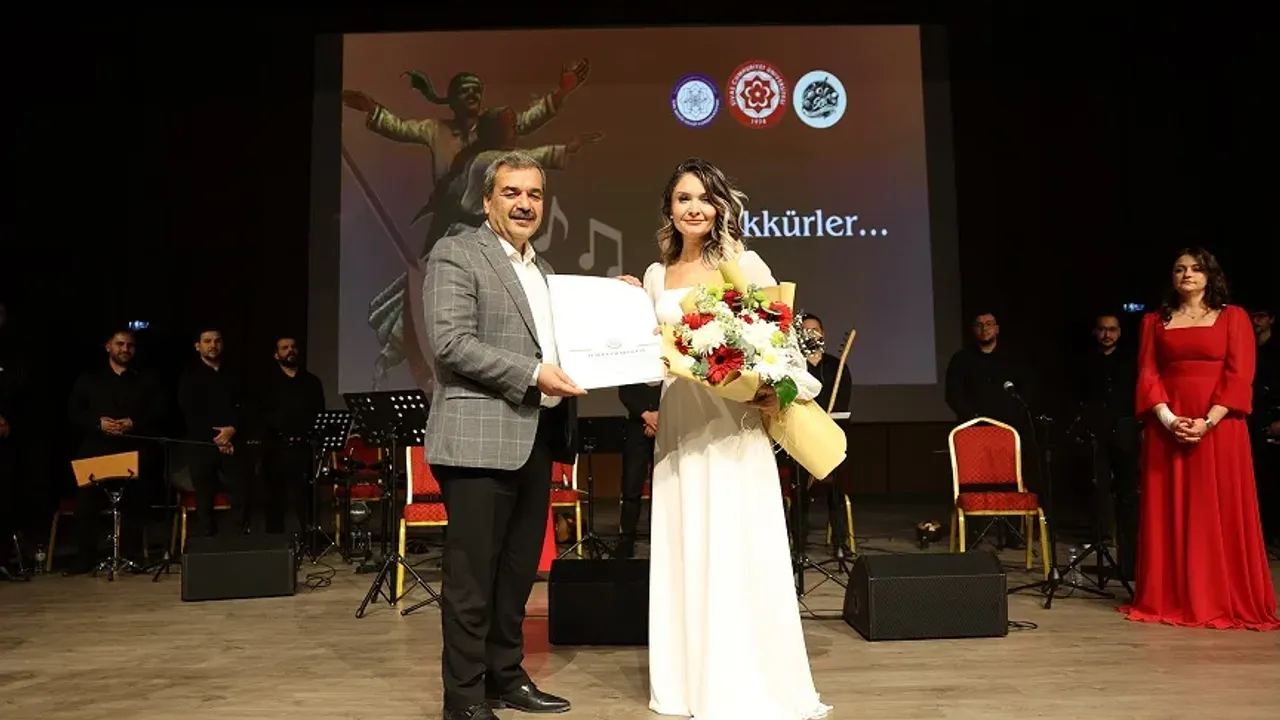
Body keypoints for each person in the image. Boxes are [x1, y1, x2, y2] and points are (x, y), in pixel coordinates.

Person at [617, 158, 831, 720]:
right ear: (669, 208)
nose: (694, 208)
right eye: (683, 198)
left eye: (704, 198)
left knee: (736, 545)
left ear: (720, 207)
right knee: (686, 545)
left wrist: (774, 392)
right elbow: (648, 357)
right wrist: (621, 309)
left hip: (730, 423)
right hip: (679, 420)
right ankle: (688, 684)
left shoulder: (744, 263)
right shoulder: (657, 274)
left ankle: (742, 682)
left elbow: (783, 348)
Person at [423, 150, 582, 720]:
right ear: (487, 200)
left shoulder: (545, 271)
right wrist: (533, 374)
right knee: (472, 580)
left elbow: (564, 341)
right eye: (511, 192)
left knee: (516, 574)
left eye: (534, 194)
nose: (524, 204)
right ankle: (464, 698)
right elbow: (451, 343)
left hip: (535, 437)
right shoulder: (457, 253)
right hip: (477, 440)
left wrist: (613, 302)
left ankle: (505, 677)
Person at [1121, 247, 1279, 630]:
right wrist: (1169, 419)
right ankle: (1172, 596)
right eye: (1179, 269)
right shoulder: (1153, 322)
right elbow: (1147, 375)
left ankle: (1220, 596)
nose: (1187, 274)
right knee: (1170, 508)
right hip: (1169, 427)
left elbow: (1239, 376)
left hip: (1220, 426)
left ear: (1210, 275)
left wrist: (1207, 422)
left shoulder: (1233, 317)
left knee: (1218, 507)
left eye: (1195, 268)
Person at [64, 328, 165, 574]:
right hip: (96, 451)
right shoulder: (90, 378)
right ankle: (86, 557)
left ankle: (130, 555)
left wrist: (133, 423)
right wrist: (98, 424)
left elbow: (160, 413)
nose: (125, 349)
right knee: (85, 504)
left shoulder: (146, 379)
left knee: (136, 499)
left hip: (132, 451)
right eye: (120, 344)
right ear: (108, 346)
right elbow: (73, 412)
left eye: (130, 345)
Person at [1077, 313, 1139, 582]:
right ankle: (1103, 546)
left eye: (1112, 330)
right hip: (1096, 433)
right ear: (1095, 332)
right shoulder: (1086, 362)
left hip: (1126, 432)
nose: (1107, 335)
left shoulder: (1131, 361)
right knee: (1098, 489)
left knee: (1129, 494)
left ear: (1119, 332)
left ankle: (1130, 561)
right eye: (1102, 330)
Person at [178, 328, 250, 536]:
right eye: (207, 341)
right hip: (202, 444)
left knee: (242, 490)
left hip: (233, 441)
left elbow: (247, 406)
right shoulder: (189, 377)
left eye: (217, 341)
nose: (213, 345)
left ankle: (239, 538)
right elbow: (190, 412)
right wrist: (218, 439)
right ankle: (208, 539)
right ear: (197, 346)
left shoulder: (235, 375)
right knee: (204, 495)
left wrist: (232, 430)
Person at [260, 336, 326, 537]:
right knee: (275, 498)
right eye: (285, 348)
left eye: (293, 347)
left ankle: (310, 539)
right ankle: (273, 541)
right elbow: (260, 415)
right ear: (276, 354)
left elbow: (319, 414)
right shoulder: (266, 383)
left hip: (305, 448)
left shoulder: (312, 382)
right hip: (276, 448)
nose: (290, 351)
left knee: (306, 497)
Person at [616, 382, 660, 558]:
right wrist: (646, 415)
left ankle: (658, 537)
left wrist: (658, 418)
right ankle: (626, 539)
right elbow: (625, 392)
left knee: (661, 486)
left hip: (665, 426)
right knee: (631, 486)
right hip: (636, 427)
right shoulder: (632, 368)